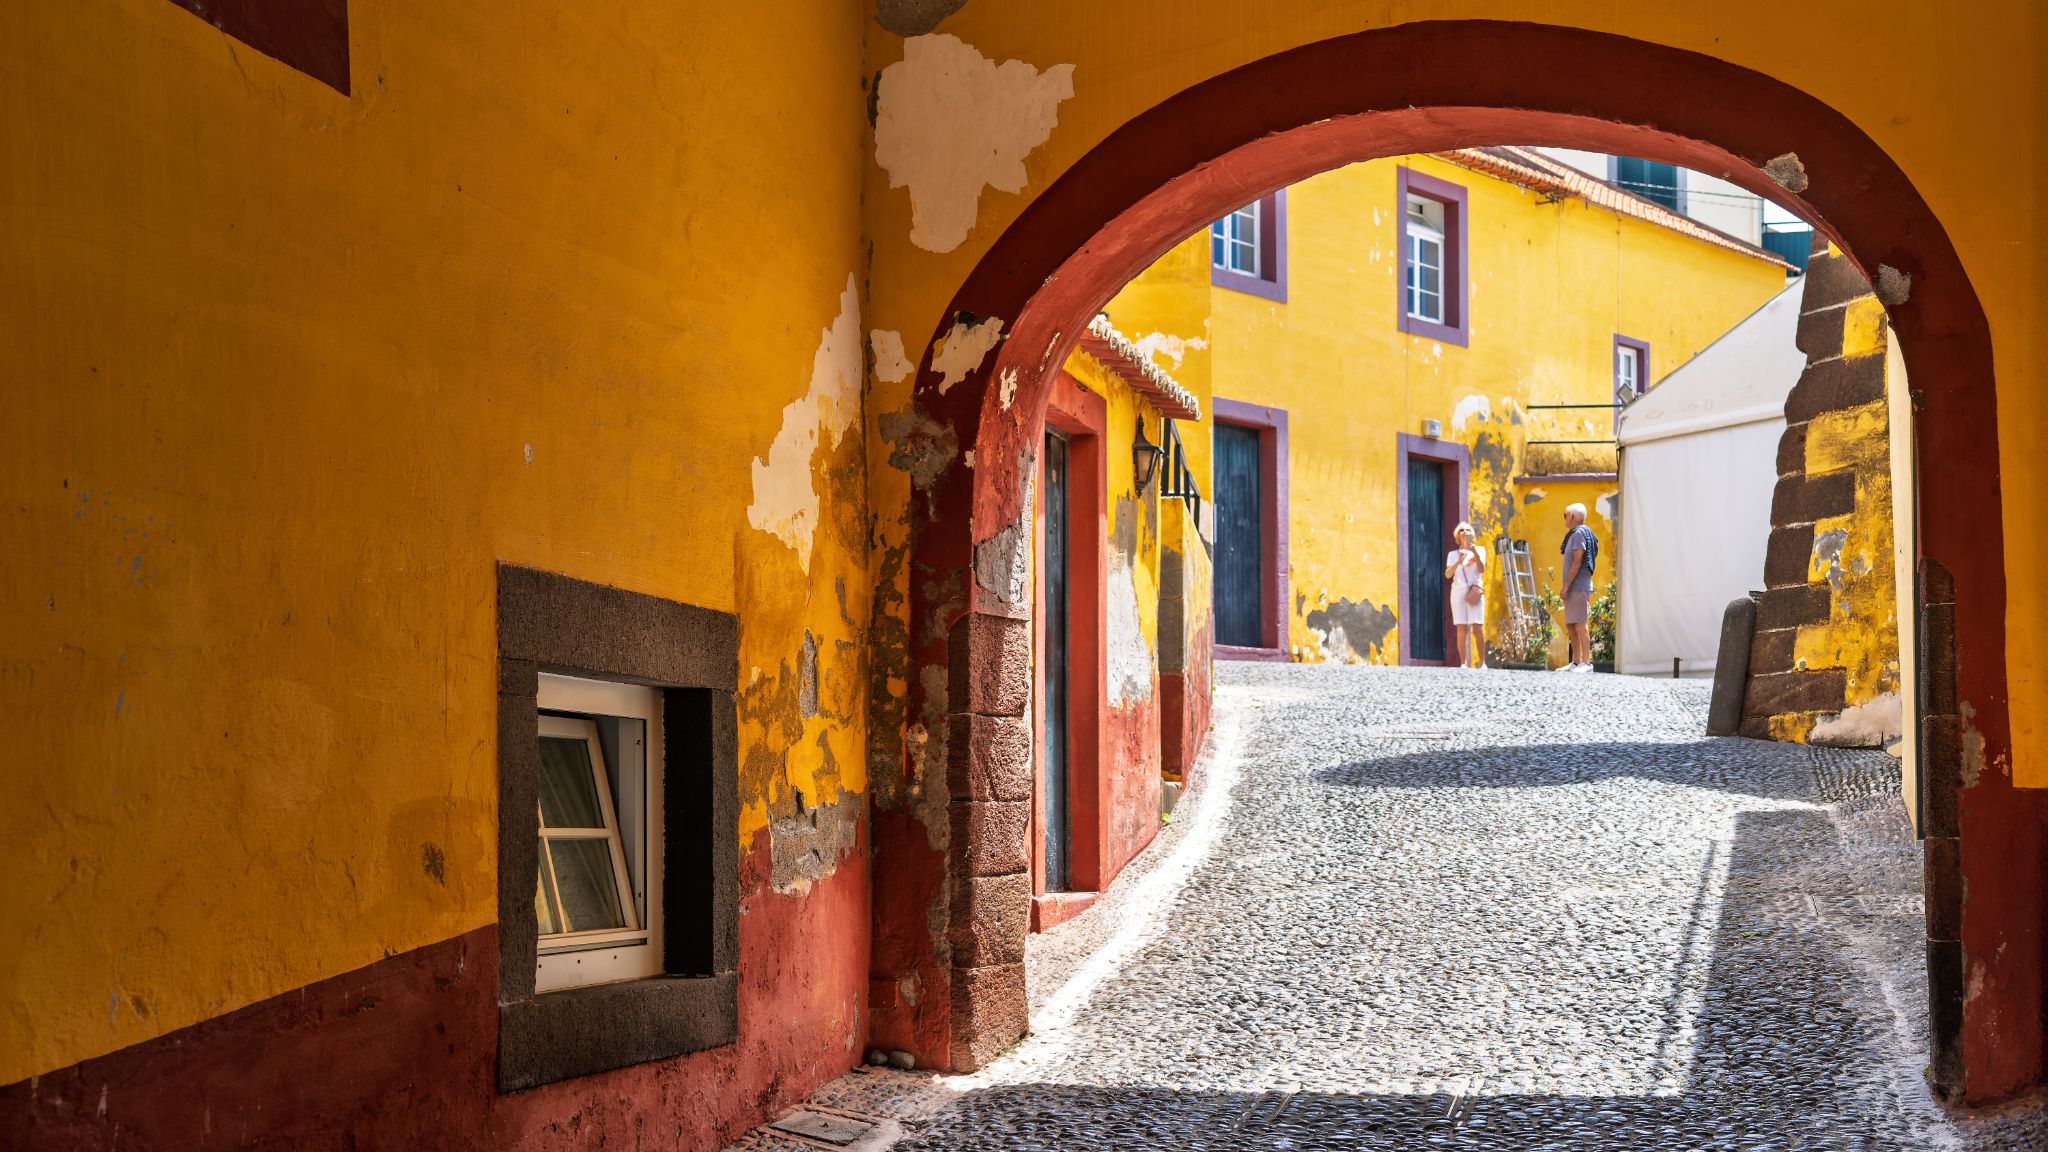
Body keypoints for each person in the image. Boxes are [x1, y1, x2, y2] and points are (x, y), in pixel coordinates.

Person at [1557, 503, 1599, 672]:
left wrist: (1565, 585)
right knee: (1571, 625)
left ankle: (1586, 663)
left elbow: (1577, 561)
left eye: (1565, 514)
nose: (1565, 518)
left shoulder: (1579, 534)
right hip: (1574, 587)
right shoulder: (1575, 534)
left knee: (1580, 625)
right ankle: (1575, 661)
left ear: (1572, 516)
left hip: (1578, 586)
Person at [1444, 521, 1487, 669]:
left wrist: (1474, 552)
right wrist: (1458, 561)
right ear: (1458, 535)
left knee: (1477, 628)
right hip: (1458, 592)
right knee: (1461, 627)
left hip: (1474, 591)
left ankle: (1482, 663)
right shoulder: (1453, 554)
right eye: (1462, 530)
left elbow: (1481, 569)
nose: (1465, 532)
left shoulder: (1480, 550)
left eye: (1468, 530)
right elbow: (1448, 574)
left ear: (1471, 534)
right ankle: (1463, 662)